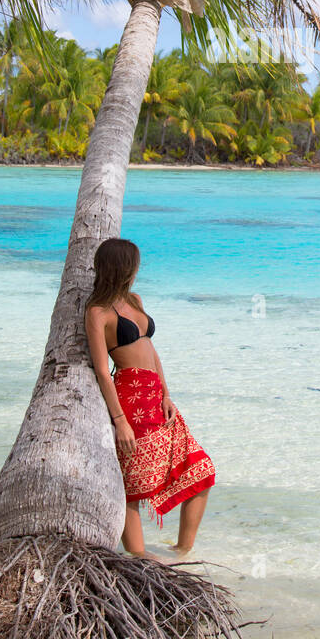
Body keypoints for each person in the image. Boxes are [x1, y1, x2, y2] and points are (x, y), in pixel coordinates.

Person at [84, 237, 215, 562]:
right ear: (123, 267)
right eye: (134, 264)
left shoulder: (135, 300)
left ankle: (183, 550)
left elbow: (151, 350)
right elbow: (103, 371)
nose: (137, 270)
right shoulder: (97, 312)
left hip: (157, 399)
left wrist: (168, 394)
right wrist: (119, 422)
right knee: (132, 487)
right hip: (130, 401)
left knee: (201, 473)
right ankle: (140, 557)